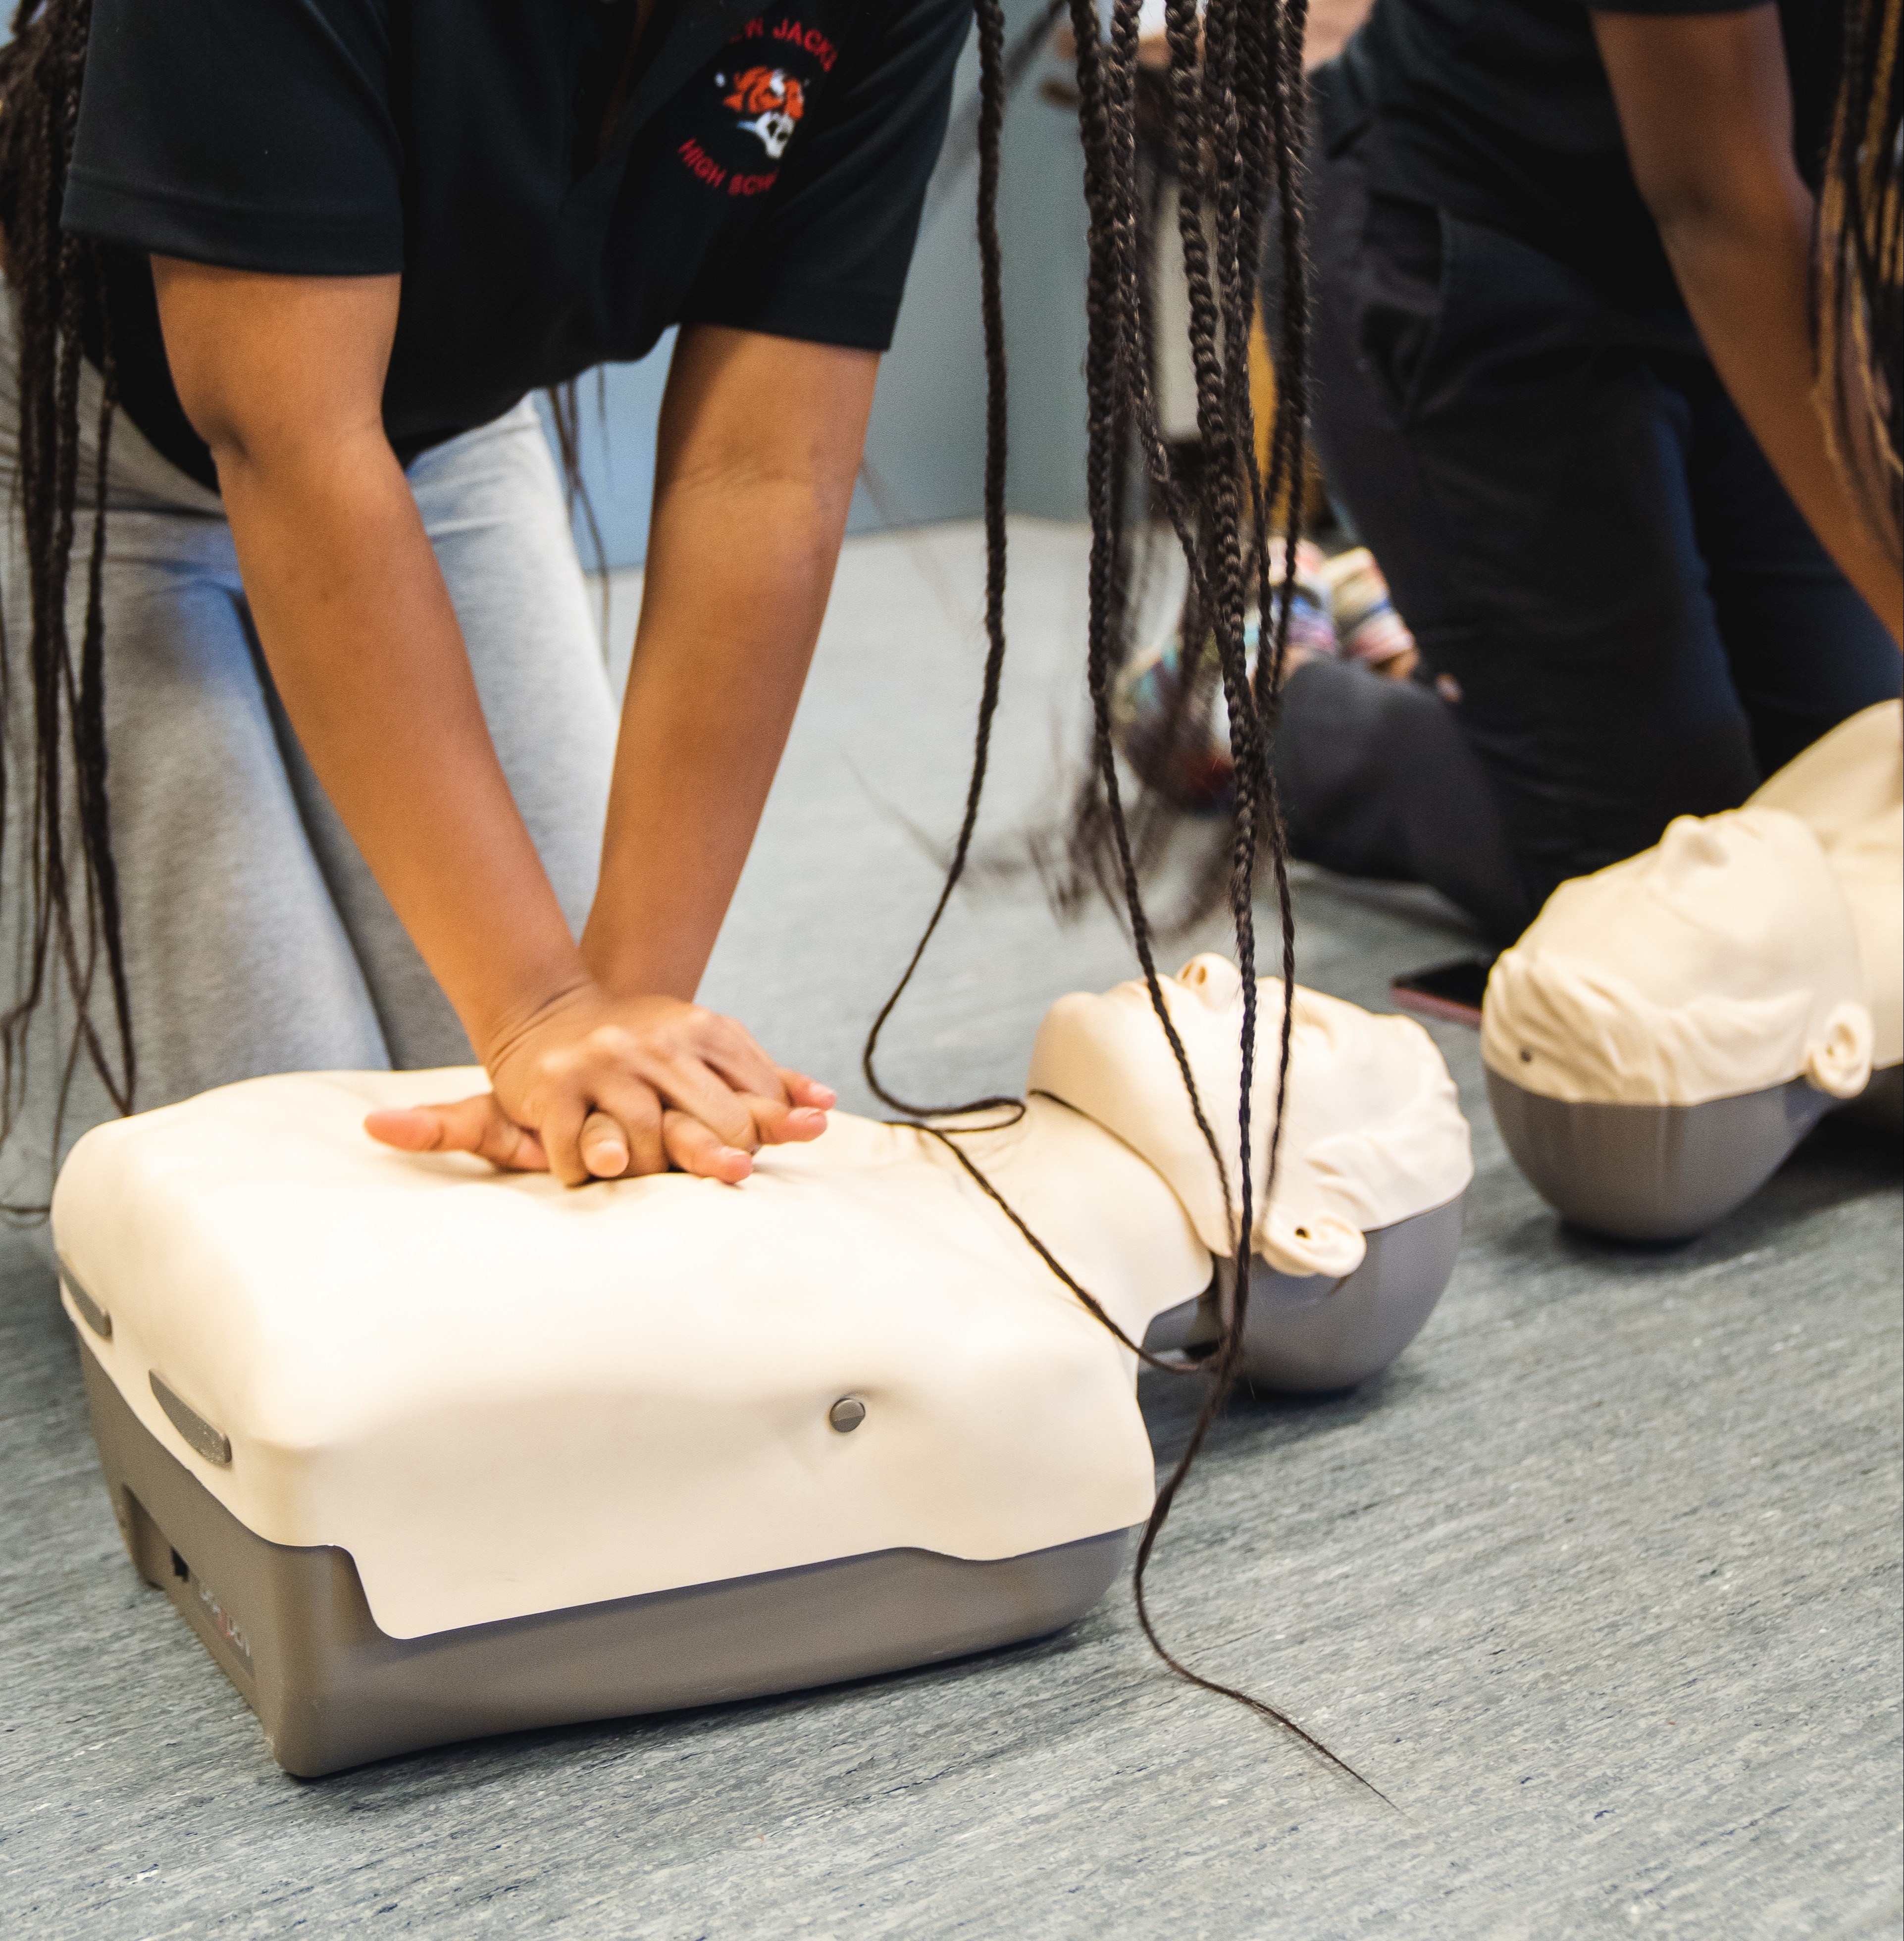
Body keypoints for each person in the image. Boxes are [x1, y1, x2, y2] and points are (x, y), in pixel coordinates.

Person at [0, 0, 970, 1217]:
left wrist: (617, 1023)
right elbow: (290, 439)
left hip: (432, 445)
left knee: (568, 1140)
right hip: (87, 447)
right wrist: (537, 1006)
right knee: (297, 1179)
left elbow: (762, 476)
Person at [1273, 0, 1904, 944]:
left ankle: (1419, 620)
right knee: (1670, 897)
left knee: (1853, 821)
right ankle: (1267, 695)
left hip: (1739, 240)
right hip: (1470, 235)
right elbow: (1715, 203)